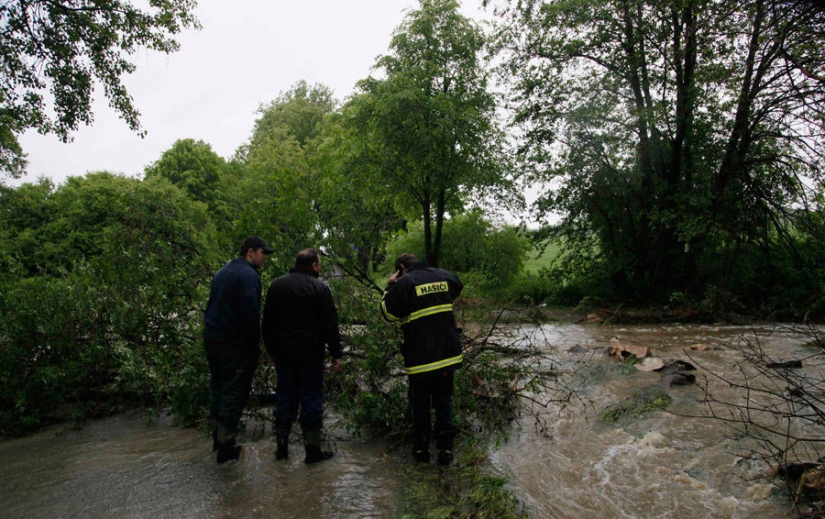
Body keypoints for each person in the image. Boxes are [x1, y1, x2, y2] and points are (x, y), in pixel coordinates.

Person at [380, 252, 463, 465]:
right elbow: (458, 286)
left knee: (421, 406)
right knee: (444, 403)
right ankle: (445, 451)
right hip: (447, 356)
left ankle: (421, 451)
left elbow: (388, 314)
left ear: (400, 268)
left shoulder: (405, 283)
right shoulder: (443, 275)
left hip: (421, 360)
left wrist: (391, 286)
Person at [262, 248, 343, 464]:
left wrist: (271, 351)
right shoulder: (320, 288)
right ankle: (313, 452)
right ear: (314, 265)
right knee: (311, 401)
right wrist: (337, 354)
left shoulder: (276, 285)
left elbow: (267, 323)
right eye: (319, 264)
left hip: (283, 355)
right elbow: (330, 325)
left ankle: (281, 451)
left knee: (284, 399)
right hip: (310, 355)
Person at [203, 236, 273, 463]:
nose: (265, 258)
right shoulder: (248, 275)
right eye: (263, 253)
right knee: (234, 390)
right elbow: (250, 315)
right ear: (251, 252)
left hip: (212, 336)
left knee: (218, 386)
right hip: (233, 342)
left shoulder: (222, 271)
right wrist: (256, 346)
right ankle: (226, 447)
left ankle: (217, 438)